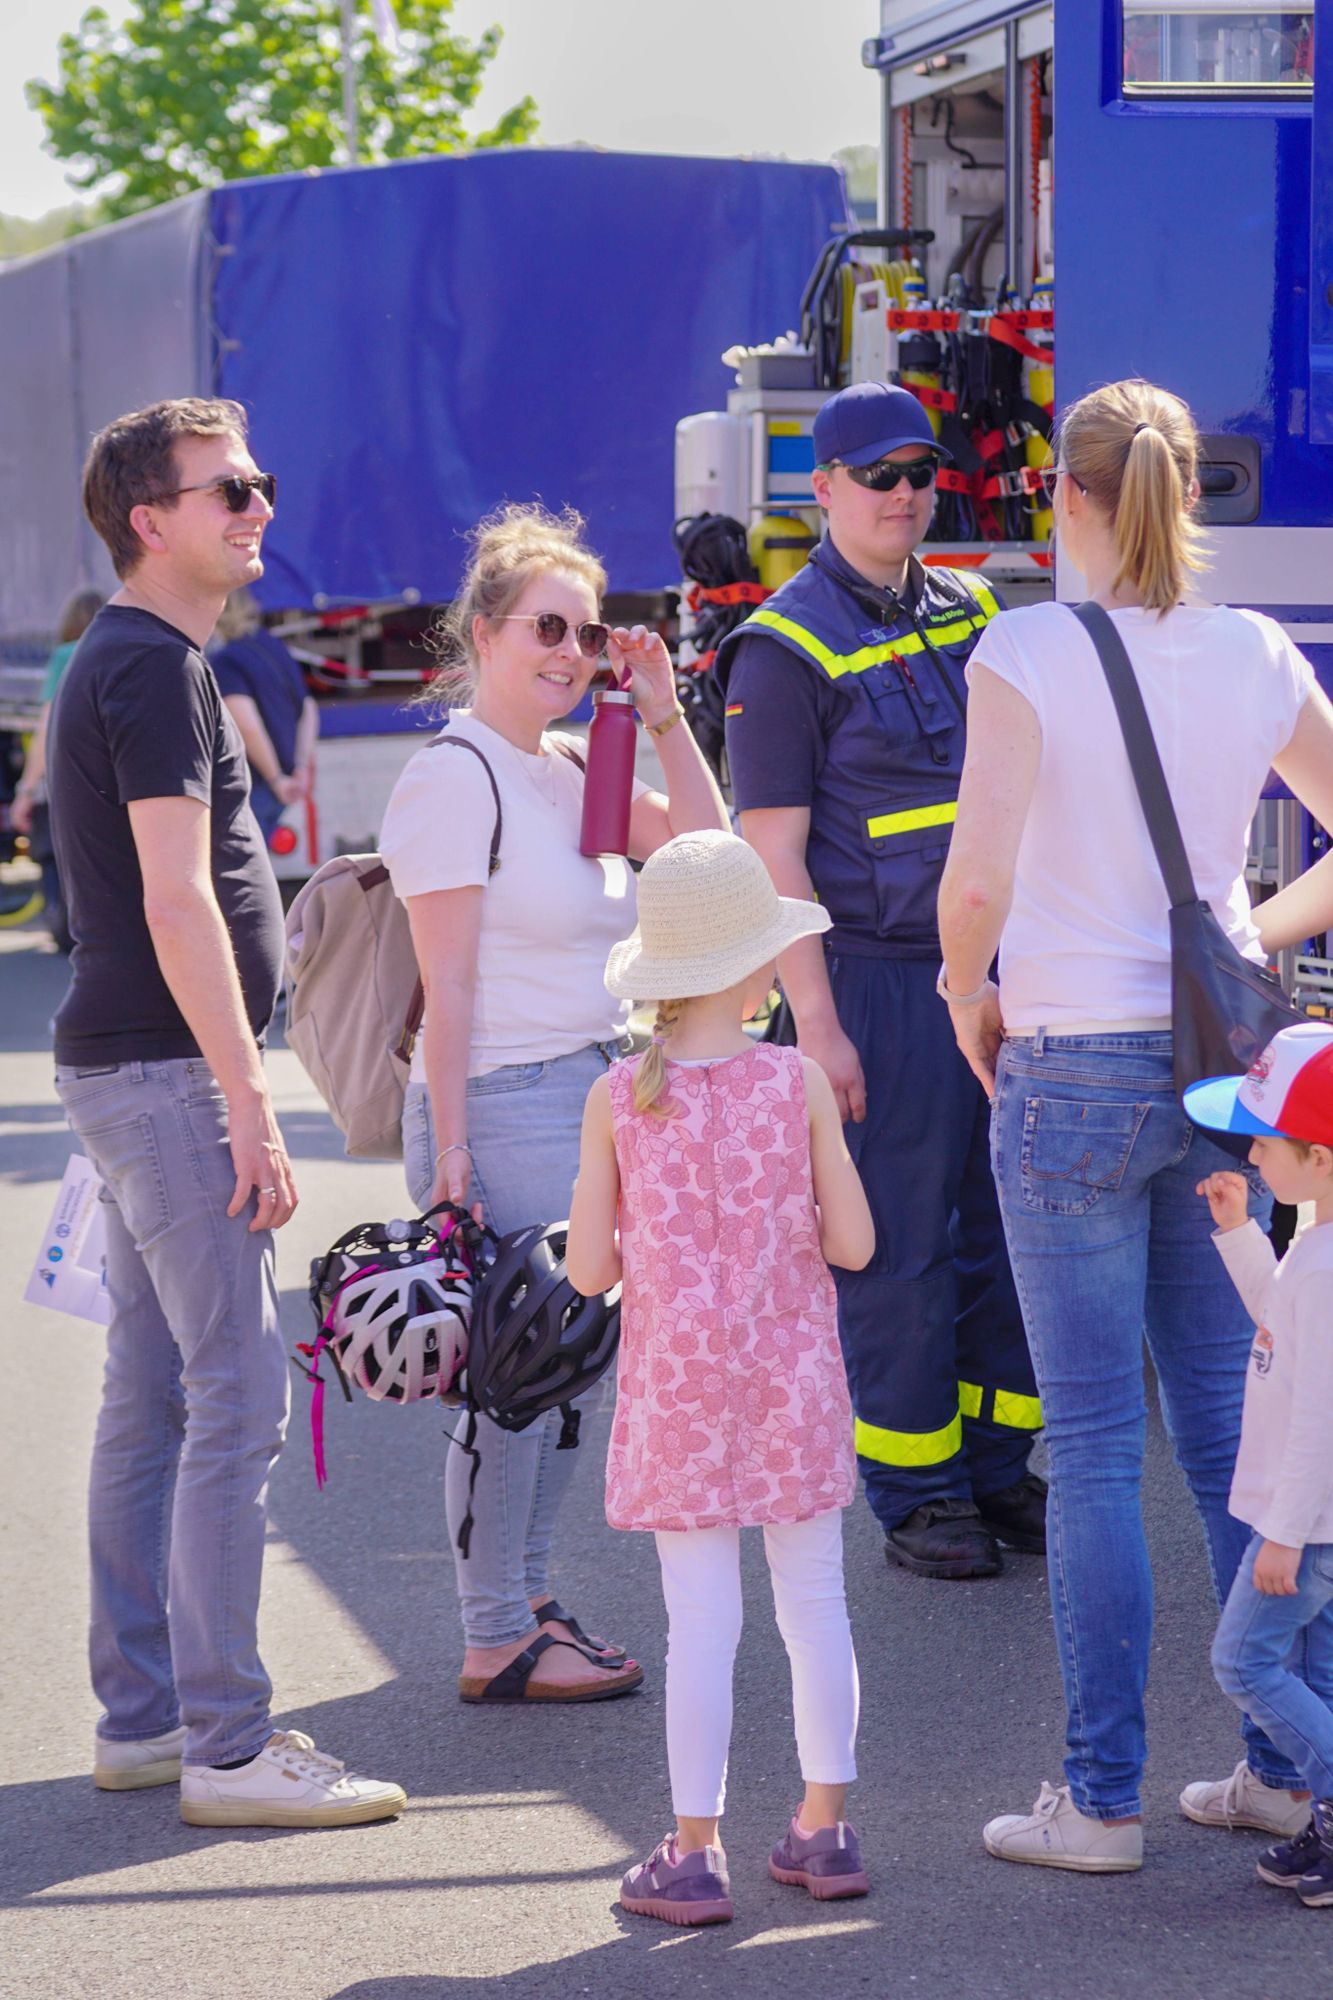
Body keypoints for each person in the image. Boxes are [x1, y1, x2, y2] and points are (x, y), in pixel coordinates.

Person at [937, 376, 1333, 1871]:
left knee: (1094, 1446)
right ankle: (1285, 1767)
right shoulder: (1249, 652)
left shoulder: (1026, 646)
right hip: (1216, 1065)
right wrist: (1244, 936)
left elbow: (973, 884)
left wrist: (963, 989)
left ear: (1069, 495)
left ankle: (1099, 1801)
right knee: (1241, 1425)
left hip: (1068, 1060)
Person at [47, 397, 404, 1828]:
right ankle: (232, 1748)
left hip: (133, 1069)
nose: (259, 506)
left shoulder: (144, 659)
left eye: (260, 481)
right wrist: (250, 1104)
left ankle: (146, 1721)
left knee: (152, 1396)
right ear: (152, 519)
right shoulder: (150, 669)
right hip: (163, 1077)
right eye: (229, 489)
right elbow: (175, 895)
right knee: (236, 1396)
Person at [378, 502, 728, 1705]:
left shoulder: (580, 763)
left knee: (567, 1363)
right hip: (503, 1095)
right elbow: (449, 981)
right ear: (482, 632)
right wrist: (452, 1153)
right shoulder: (452, 776)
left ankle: (524, 1595)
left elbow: (706, 851)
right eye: (547, 627)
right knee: (516, 1370)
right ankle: (492, 1630)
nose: (571, 652)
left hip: (588, 1090)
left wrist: (662, 708)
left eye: (587, 632)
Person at [717, 379, 1043, 1581]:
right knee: (899, 1246)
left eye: (920, 473)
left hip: (991, 969)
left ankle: (999, 1470)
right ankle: (915, 1490)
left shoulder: (970, 607)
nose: (905, 494)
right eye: (878, 475)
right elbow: (774, 851)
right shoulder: (782, 644)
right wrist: (816, 1023)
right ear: (824, 487)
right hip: (877, 984)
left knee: (1005, 1229)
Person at [566, 829, 875, 1926]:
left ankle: (694, 1850)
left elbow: (591, 1266)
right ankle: (824, 1827)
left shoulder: (616, 1096)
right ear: (756, 968)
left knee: (699, 1623)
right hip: (790, 1383)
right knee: (816, 1601)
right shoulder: (791, 1080)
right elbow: (852, 1243)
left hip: (677, 1395)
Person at [1184, 1024, 1333, 1911]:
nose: (1248, 1151)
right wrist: (1241, 1233)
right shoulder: (1312, 1250)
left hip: (1304, 1526)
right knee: (1312, 1673)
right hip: (1312, 1521)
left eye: (1264, 1141)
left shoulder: (1324, 1266)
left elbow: (1320, 1415)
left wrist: (1280, 1532)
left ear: (1318, 1157)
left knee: (1242, 1662)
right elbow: (1276, 1321)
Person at [12, 587, 105, 949]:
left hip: (68, 778)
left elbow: (47, 724)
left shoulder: (66, 656)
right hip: (111, 778)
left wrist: (25, 790)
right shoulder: (120, 652)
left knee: (60, 860)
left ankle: (71, 936)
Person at [210, 586, 318, 848]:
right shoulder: (274, 646)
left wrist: (275, 778)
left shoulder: (225, 660)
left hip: (257, 784)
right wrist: (300, 767)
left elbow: (247, 725)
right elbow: (308, 708)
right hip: (285, 780)